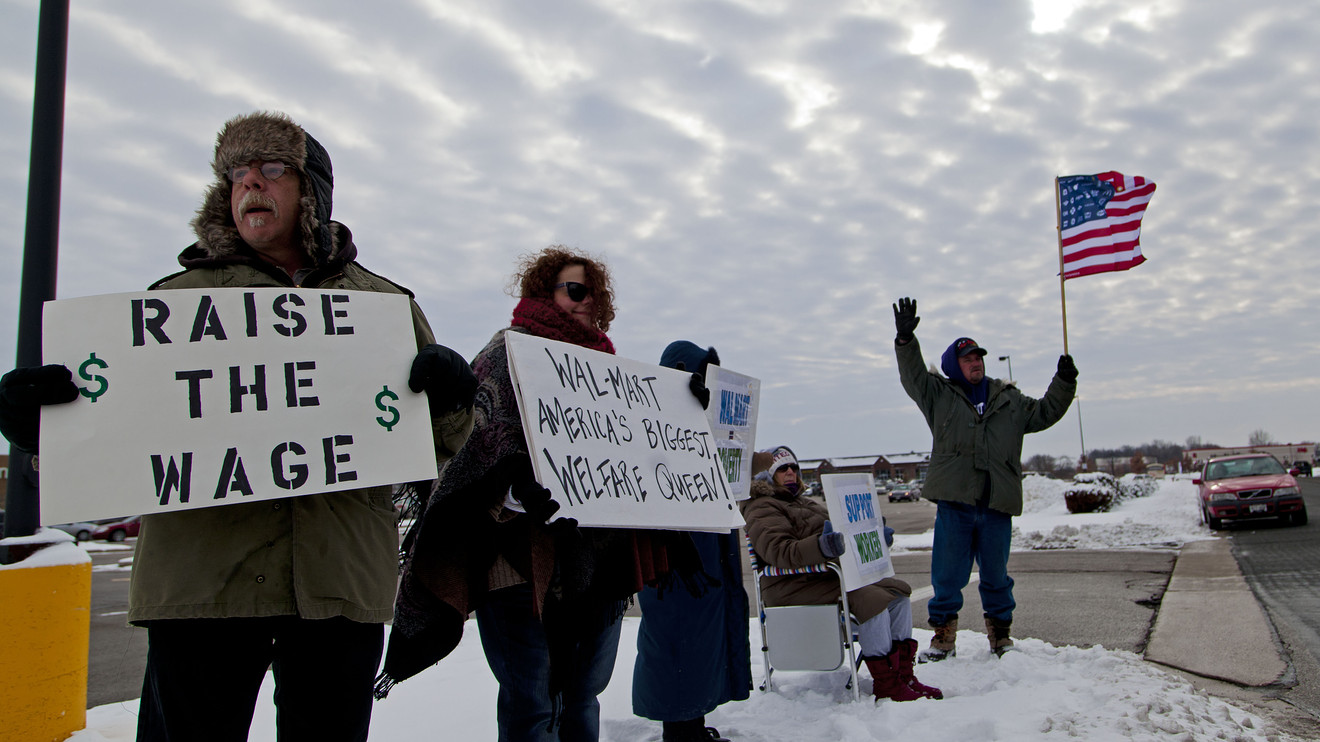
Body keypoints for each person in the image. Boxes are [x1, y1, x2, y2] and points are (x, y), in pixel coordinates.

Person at [0, 111, 479, 741]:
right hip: (204, 586)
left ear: (312, 190)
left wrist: (451, 402)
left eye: (272, 168)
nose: (251, 182)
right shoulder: (172, 304)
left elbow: (441, 445)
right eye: (237, 173)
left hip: (338, 585)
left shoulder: (384, 308)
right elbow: (119, 438)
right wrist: (44, 426)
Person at [379, 247, 702, 742]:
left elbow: (641, 459)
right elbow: (472, 443)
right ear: (543, 291)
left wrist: (685, 411)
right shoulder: (505, 354)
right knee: (532, 703)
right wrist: (510, 489)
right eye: (574, 289)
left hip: (595, 565)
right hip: (517, 564)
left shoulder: (609, 372)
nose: (586, 301)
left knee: (584, 696)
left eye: (594, 293)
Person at [891, 297, 1077, 661]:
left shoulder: (1009, 400)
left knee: (996, 575)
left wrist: (1064, 381)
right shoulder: (938, 395)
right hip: (955, 504)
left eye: (978, 358)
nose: (976, 363)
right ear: (953, 365)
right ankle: (943, 637)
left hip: (995, 504)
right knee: (947, 575)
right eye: (968, 359)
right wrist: (905, 341)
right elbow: (913, 376)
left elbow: (1046, 412)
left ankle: (1001, 636)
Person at [741, 446, 941, 704]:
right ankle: (887, 683)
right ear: (766, 476)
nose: (790, 472)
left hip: (822, 577)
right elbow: (779, 551)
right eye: (782, 468)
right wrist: (822, 546)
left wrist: (875, 539)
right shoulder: (761, 506)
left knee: (897, 594)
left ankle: (904, 675)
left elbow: (844, 534)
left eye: (794, 467)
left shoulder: (804, 502)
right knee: (872, 601)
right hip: (791, 584)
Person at [632, 342, 750, 742]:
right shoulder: (648, 421)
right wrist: (675, 410)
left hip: (707, 549)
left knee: (702, 643)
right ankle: (679, 732)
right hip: (674, 557)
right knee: (677, 642)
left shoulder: (704, 422)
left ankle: (692, 725)